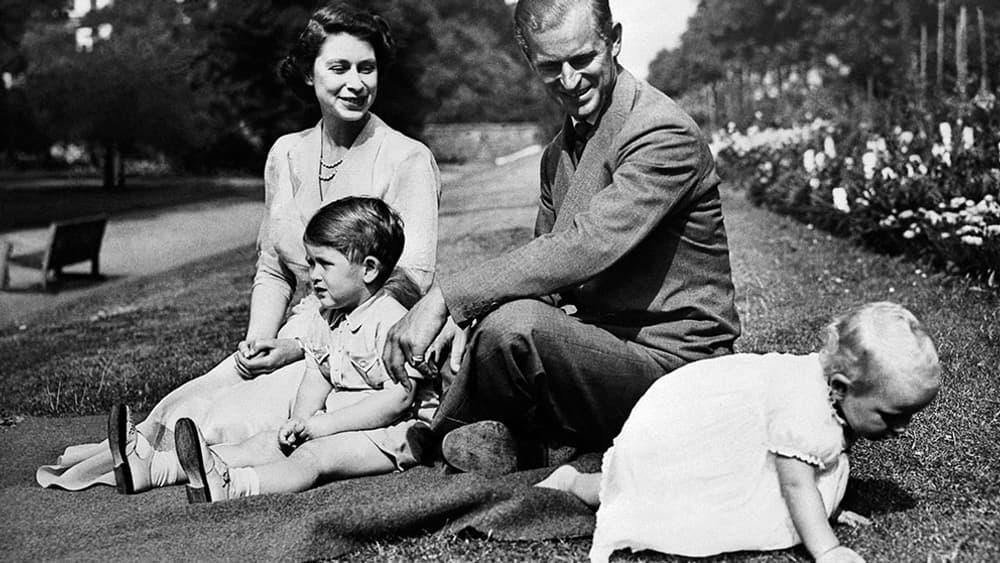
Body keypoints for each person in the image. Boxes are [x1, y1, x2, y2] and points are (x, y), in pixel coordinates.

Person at [36, 2, 440, 493]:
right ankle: (140, 457)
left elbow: (410, 281)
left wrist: (297, 348)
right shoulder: (285, 154)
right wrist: (257, 345)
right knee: (189, 400)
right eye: (339, 68)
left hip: (359, 347)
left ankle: (165, 468)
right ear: (310, 74)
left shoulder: (407, 159)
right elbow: (272, 269)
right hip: (293, 332)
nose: (356, 82)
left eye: (367, 68)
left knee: (226, 417)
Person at [382, 0, 740, 474]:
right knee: (500, 325)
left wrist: (447, 297)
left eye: (582, 59)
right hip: (602, 348)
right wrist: (465, 324)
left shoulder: (660, 131)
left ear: (613, 40)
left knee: (516, 328)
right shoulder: (558, 154)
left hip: (679, 366)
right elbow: (545, 281)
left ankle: (429, 439)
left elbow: (585, 247)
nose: (570, 81)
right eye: (551, 66)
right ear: (530, 59)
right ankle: (535, 440)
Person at [535, 302, 942, 563]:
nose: (902, 428)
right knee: (655, 492)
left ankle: (585, 482)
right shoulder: (804, 408)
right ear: (839, 387)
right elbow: (798, 486)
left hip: (737, 438)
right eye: (892, 415)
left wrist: (831, 506)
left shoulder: (838, 400)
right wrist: (827, 548)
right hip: (690, 433)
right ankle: (574, 483)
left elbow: (821, 465)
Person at [167, 197, 437, 502]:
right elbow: (316, 373)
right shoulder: (327, 315)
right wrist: (300, 419)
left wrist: (324, 425)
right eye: (310, 263)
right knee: (268, 442)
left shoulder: (393, 321)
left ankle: (234, 485)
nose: (314, 276)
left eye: (325, 264)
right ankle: (161, 467)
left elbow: (398, 398)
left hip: (397, 433)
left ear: (369, 269)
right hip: (339, 421)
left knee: (313, 456)